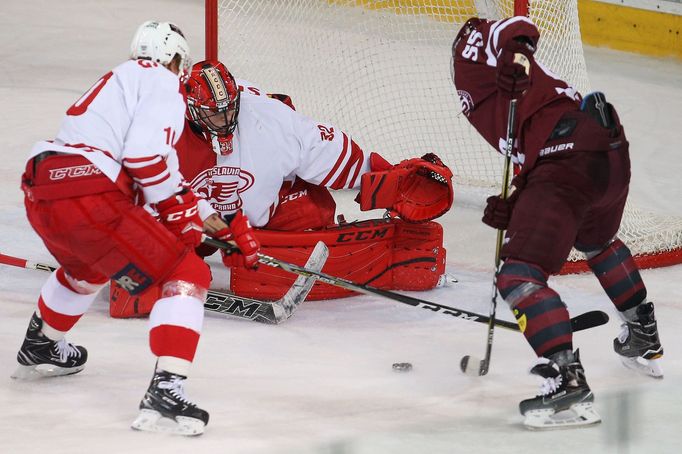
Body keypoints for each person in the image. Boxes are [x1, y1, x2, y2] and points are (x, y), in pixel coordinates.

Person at [12, 21, 249, 436]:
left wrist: (212, 220)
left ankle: (41, 344)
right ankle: (167, 390)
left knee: (87, 269)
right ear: (176, 58)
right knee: (188, 273)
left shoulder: (120, 81)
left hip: (43, 189)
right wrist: (181, 218)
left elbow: (152, 177)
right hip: (90, 196)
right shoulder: (161, 81)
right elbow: (145, 160)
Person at [108, 59, 455, 317]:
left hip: (258, 214)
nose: (225, 120)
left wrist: (385, 180)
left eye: (230, 109)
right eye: (215, 115)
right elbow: (135, 185)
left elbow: (327, 152)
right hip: (195, 216)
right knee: (158, 240)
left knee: (314, 210)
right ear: (191, 111)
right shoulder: (162, 128)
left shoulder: (269, 120)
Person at [451, 16, 664, 428]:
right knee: (596, 239)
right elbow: (537, 156)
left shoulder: (467, 50)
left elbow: (514, 29)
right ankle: (643, 335)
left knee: (518, 275)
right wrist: (515, 204)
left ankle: (567, 381)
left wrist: (516, 51)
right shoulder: (509, 101)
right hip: (605, 152)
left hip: (567, 157)